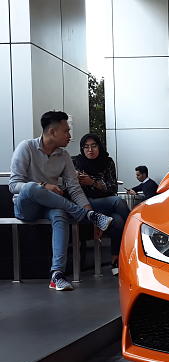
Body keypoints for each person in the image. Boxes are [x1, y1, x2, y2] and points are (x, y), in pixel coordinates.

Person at [9, 111, 113, 291]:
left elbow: (74, 188)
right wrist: (44, 185)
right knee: (31, 187)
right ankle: (86, 215)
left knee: (59, 214)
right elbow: (14, 185)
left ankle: (56, 274)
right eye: (66, 131)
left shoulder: (64, 156)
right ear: (52, 132)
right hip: (26, 207)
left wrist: (89, 209)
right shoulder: (26, 147)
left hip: (50, 205)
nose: (70, 136)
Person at [72, 133, 130, 276]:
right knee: (119, 201)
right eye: (86, 147)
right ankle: (135, 235)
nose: (90, 150)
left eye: (93, 146)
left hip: (105, 204)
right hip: (85, 203)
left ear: (99, 146)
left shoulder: (108, 162)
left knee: (117, 221)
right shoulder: (75, 162)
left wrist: (93, 182)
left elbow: (113, 188)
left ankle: (115, 260)